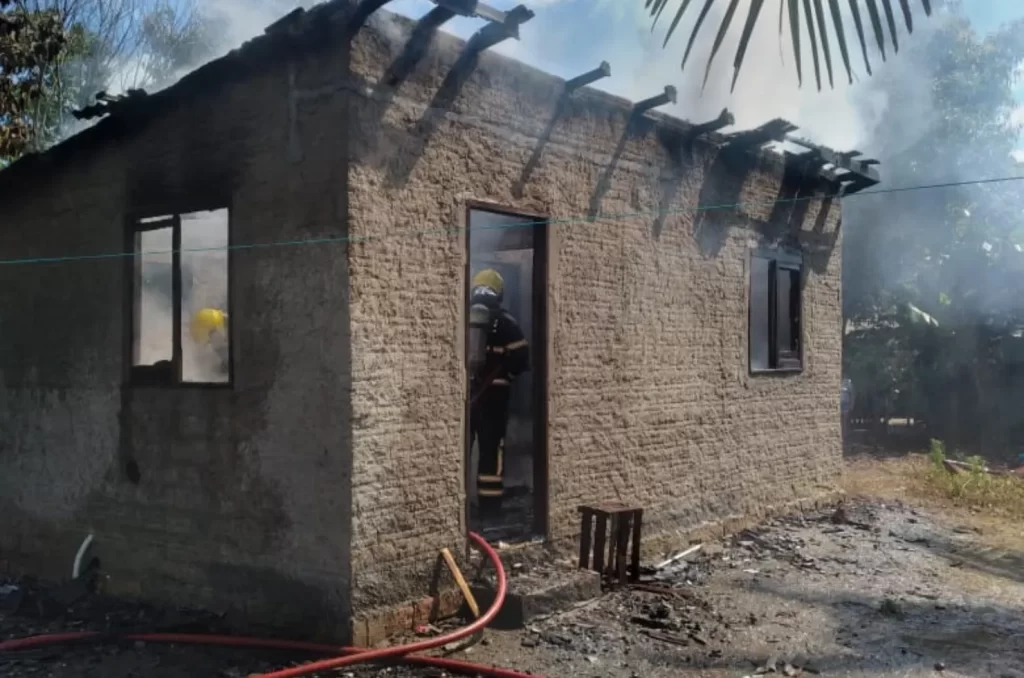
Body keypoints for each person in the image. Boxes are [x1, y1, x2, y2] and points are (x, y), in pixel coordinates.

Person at [467, 268, 529, 518]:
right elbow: (522, 358)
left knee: (461, 450)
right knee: (491, 453)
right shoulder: (506, 322)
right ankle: (490, 511)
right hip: (495, 400)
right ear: (499, 292)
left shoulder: (462, 316)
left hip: (467, 398)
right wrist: (506, 375)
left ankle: (457, 508)